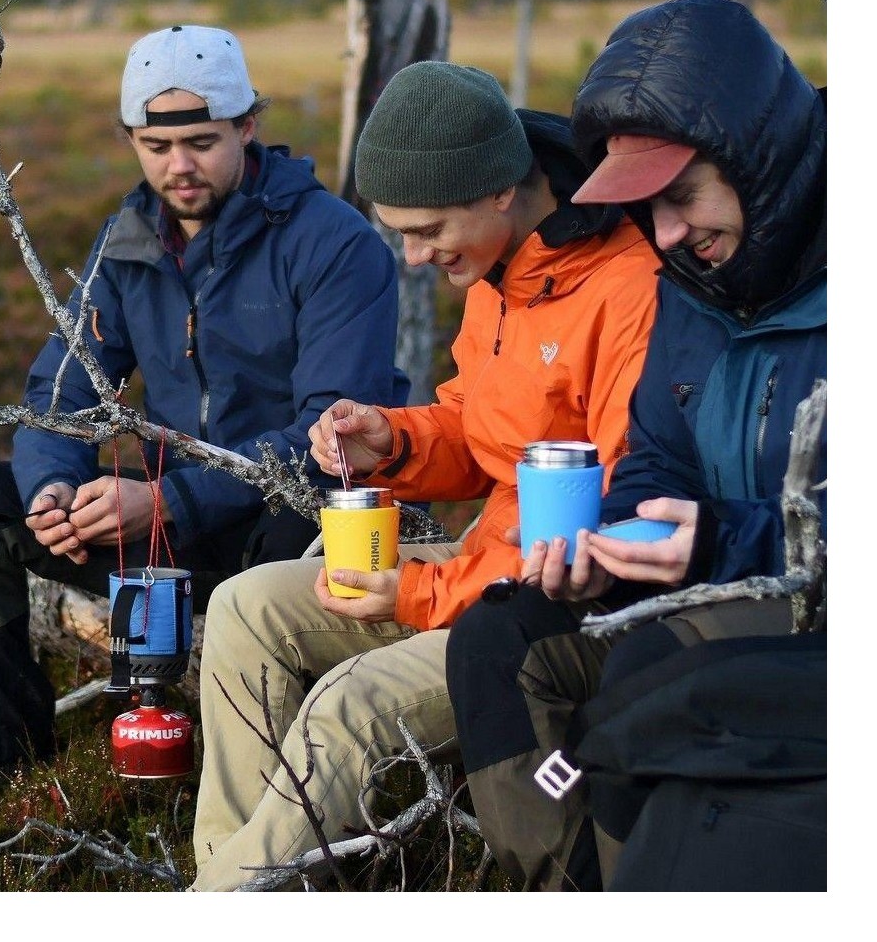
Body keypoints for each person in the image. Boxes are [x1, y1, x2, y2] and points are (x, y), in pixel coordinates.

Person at [190, 59, 660, 890]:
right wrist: (395, 443)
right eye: (398, 231)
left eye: (426, 229)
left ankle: (224, 900)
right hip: (486, 566)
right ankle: (238, 877)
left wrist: (417, 593)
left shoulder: (627, 294)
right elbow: (486, 435)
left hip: (550, 615)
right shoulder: (502, 275)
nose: (411, 257)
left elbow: (600, 528)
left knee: (350, 702)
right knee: (244, 606)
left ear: (498, 192)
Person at [0, 23, 411, 774]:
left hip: (284, 527)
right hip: (162, 533)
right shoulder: (125, 244)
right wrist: (52, 489)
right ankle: (7, 770)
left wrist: (171, 499)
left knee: (300, 532)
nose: (179, 167)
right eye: (156, 148)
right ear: (131, 141)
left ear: (248, 127)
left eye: (202, 143)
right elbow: (62, 391)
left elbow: (333, 440)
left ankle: (288, 778)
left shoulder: (335, 245)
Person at [443, 0, 826, 890]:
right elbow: (653, 455)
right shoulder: (690, 283)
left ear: (756, 160)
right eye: (647, 211)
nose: (668, 235)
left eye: (682, 198)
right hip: (706, 587)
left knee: (644, 690)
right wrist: (607, 544)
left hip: (818, 607)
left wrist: (726, 540)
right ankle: (568, 889)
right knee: (501, 643)